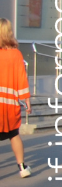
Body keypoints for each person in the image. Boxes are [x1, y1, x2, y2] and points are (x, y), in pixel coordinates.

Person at [0, 19, 32, 178]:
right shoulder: (15, 54)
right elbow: (21, 78)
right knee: (14, 135)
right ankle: (22, 167)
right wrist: (26, 100)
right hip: (10, 103)